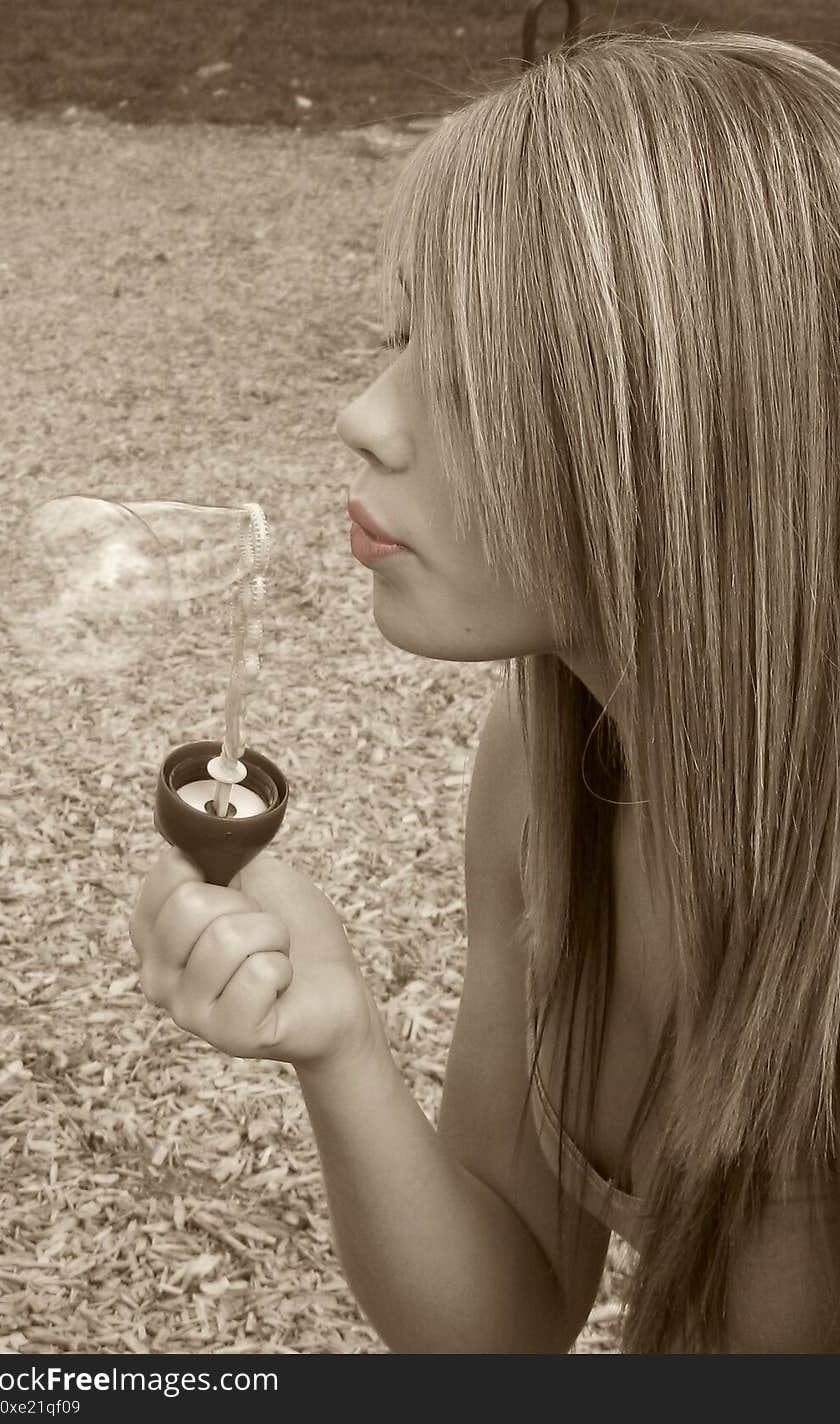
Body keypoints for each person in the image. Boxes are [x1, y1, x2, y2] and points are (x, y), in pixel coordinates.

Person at [130, 27, 840, 1353]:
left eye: (477, 366)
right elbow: (505, 1321)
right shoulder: (551, 753)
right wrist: (337, 1043)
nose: (366, 415)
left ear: (688, 431)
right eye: (404, 335)